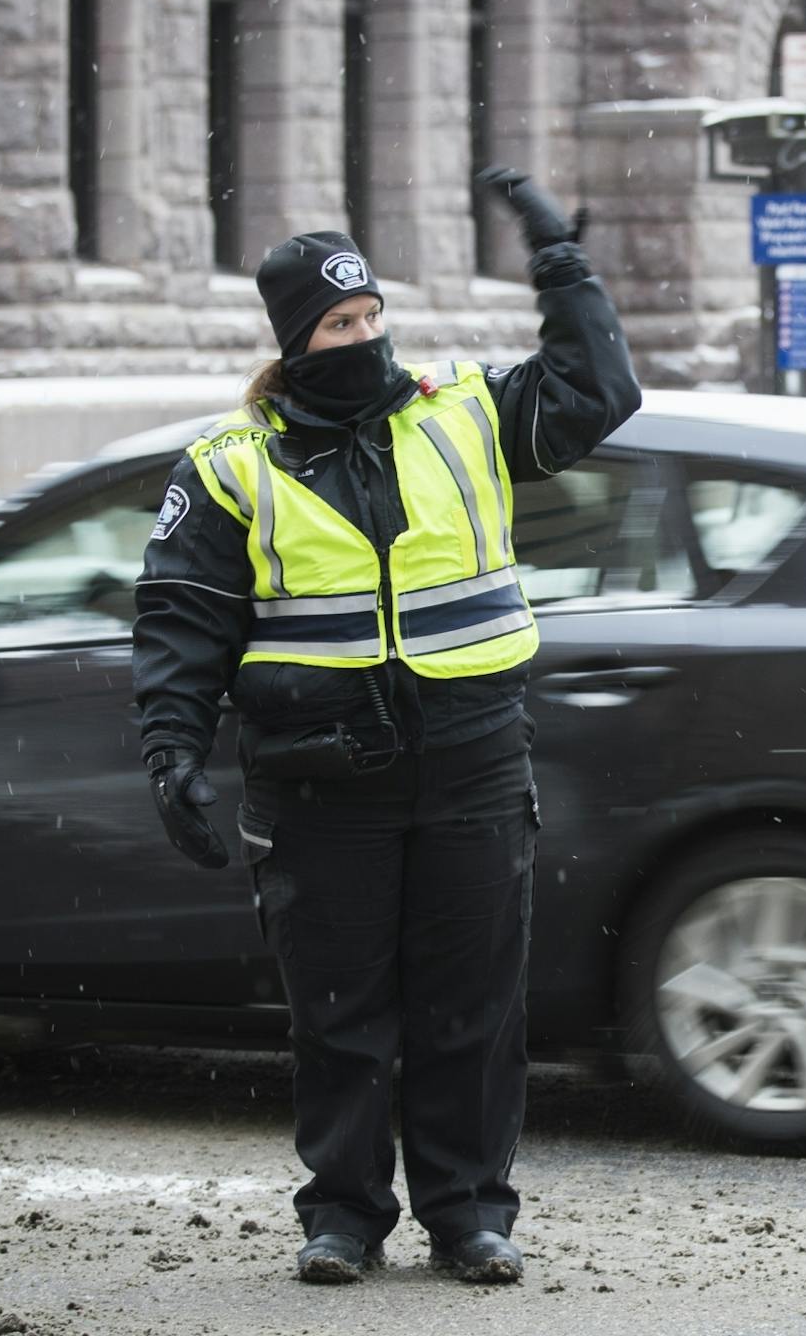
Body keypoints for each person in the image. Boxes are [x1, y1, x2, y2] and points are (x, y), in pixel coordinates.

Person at [131, 167, 639, 1287]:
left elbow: (600, 391)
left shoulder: (462, 414)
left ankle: (467, 1213)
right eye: (339, 324)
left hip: (471, 758)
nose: (364, 338)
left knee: (472, 1008)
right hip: (319, 781)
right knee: (341, 1014)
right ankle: (345, 1217)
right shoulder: (231, 469)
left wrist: (563, 269)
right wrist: (172, 750)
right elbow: (182, 622)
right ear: (295, 340)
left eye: (371, 316)